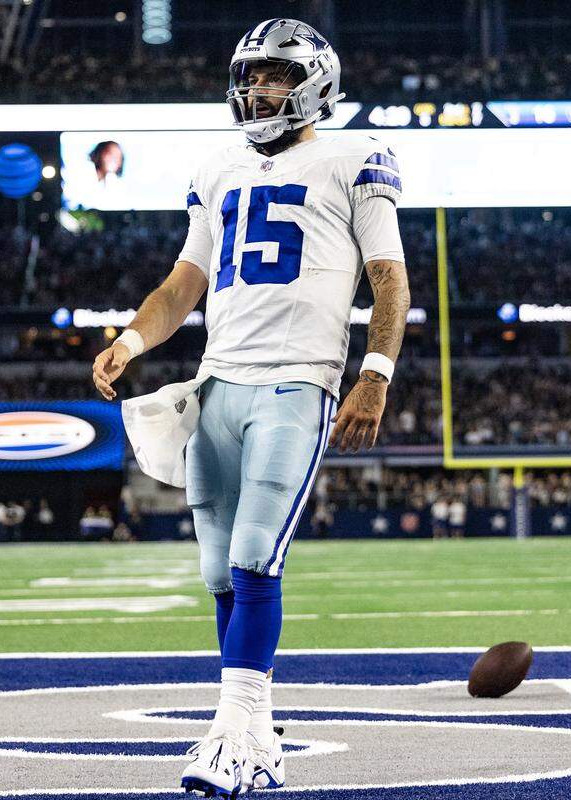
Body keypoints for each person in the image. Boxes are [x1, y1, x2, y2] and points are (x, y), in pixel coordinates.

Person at [92, 18, 410, 797]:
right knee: (219, 573)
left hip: (298, 378)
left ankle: (230, 735)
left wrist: (374, 373)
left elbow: (389, 279)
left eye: (273, 75)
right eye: (252, 75)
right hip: (218, 381)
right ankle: (259, 741)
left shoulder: (355, 158)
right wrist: (131, 341)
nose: (258, 88)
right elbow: (183, 285)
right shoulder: (217, 168)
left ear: (315, 84)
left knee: (256, 554)